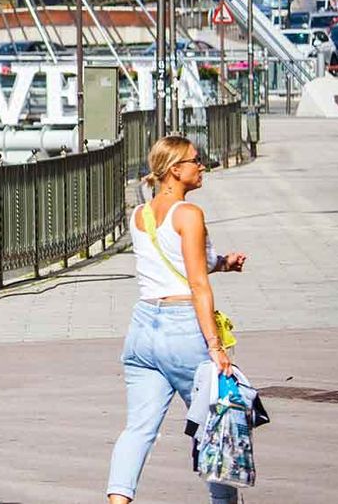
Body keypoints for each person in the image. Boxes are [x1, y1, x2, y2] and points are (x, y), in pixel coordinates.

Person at [106, 136, 248, 504]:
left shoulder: (140, 215)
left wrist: (223, 263)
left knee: (138, 429)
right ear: (175, 170)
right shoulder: (189, 214)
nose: (203, 166)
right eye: (196, 161)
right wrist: (216, 347)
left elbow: (176, 263)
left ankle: (117, 501)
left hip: (142, 329)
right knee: (214, 422)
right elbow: (197, 284)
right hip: (183, 328)